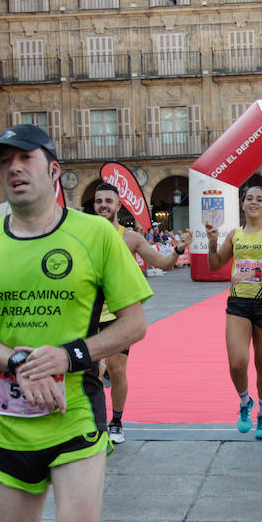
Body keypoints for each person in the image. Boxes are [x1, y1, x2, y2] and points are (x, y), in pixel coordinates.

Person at [0, 124, 152, 522]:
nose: (14, 168)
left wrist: (68, 356)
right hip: (9, 419)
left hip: (75, 412)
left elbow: (133, 325)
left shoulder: (97, 235)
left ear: (54, 170)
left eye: (26, 158)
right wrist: (17, 360)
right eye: (4, 161)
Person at [85, 181, 193, 444]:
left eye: (108, 201)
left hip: (118, 316)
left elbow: (162, 263)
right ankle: (89, 420)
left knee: (117, 369)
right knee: (89, 371)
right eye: (99, 201)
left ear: (118, 205)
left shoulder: (131, 238)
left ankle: (116, 422)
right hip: (86, 315)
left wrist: (178, 248)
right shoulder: (83, 237)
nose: (103, 206)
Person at [206, 186, 262, 440]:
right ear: (242, 205)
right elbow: (215, 265)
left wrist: (253, 273)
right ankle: (245, 402)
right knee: (237, 362)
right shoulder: (235, 234)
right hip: (239, 303)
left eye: (259, 199)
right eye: (249, 198)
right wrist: (212, 243)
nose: (254, 202)